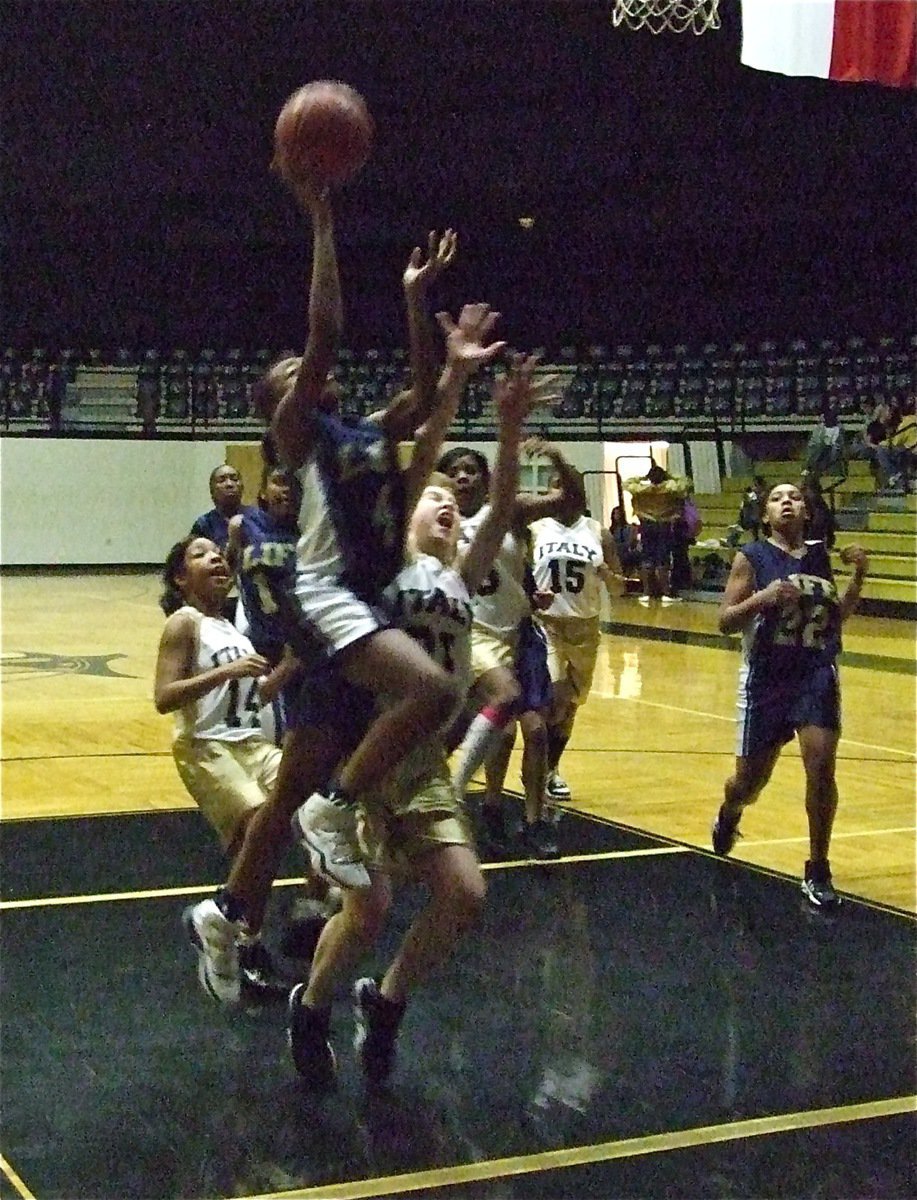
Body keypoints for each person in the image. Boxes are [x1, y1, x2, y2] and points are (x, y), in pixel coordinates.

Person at [182, 183, 506, 1003]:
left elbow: (425, 398)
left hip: (358, 608)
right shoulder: (301, 434)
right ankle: (338, 812)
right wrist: (323, 217)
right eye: (290, 374)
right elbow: (324, 332)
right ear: (280, 406)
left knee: (287, 787)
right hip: (330, 597)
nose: (308, 370)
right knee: (430, 692)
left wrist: (412, 300)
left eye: (305, 371)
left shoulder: (363, 431)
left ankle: (227, 918)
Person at [288, 353, 541, 1089]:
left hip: (424, 758)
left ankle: (386, 999)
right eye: (431, 496)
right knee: (366, 911)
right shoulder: (379, 575)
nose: (445, 504)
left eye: (449, 501)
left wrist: (509, 425)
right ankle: (313, 1005)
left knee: (464, 893)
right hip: (370, 749)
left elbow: (496, 504)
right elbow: (415, 458)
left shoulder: (460, 576)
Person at [710, 481, 869, 910]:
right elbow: (724, 621)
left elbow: (838, 617)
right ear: (765, 515)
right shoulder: (753, 556)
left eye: (794, 497)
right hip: (767, 678)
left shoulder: (819, 556)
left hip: (814, 672)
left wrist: (858, 576)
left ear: (806, 511)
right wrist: (764, 597)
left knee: (820, 766)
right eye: (778, 498)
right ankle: (730, 811)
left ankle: (818, 866)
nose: (787, 502)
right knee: (749, 783)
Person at [154, 535, 299, 1000]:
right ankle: (238, 943)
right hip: (208, 746)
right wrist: (225, 673)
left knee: (305, 812)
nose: (216, 557)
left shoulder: (234, 629)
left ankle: (243, 941)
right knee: (260, 824)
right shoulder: (185, 623)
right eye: (200, 554)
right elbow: (163, 697)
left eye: (218, 552)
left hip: (252, 743)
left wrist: (294, 663)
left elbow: (253, 698)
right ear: (180, 578)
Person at [439, 434, 580, 860]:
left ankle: (531, 819)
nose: (463, 477)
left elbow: (571, 500)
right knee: (487, 721)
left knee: (536, 730)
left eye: (472, 470)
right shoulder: (434, 518)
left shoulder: (508, 511)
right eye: (455, 471)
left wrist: (557, 454)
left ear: (486, 481)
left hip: (520, 632)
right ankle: (476, 800)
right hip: (470, 635)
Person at [530, 480, 621, 802]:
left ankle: (551, 770)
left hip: (585, 627)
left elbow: (620, 588)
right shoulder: (536, 528)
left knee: (570, 707)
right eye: (555, 488)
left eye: (566, 489)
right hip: (547, 622)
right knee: (555, 693)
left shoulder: (598, 532)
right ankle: (537, 767)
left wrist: (611, 577)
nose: (561, 495)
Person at [622, 461, 690, 606]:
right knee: (663, 559)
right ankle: (665, 593)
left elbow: (626, 483)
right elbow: (684, 483)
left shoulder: (641, 490)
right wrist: (669, 475)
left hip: (646, 525)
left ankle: (646, 593)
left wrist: (642, 477)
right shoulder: (670, 489)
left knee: (647, 558)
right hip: (664, 524)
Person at [803, 404, 847, 483]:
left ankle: (834, 472)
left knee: (834, 450)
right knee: (818, 449)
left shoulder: (839, 428)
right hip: (821, 450)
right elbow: (814, 442)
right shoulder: (819, 428)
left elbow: (839, 444)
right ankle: (810, 468)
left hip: (834, 450)